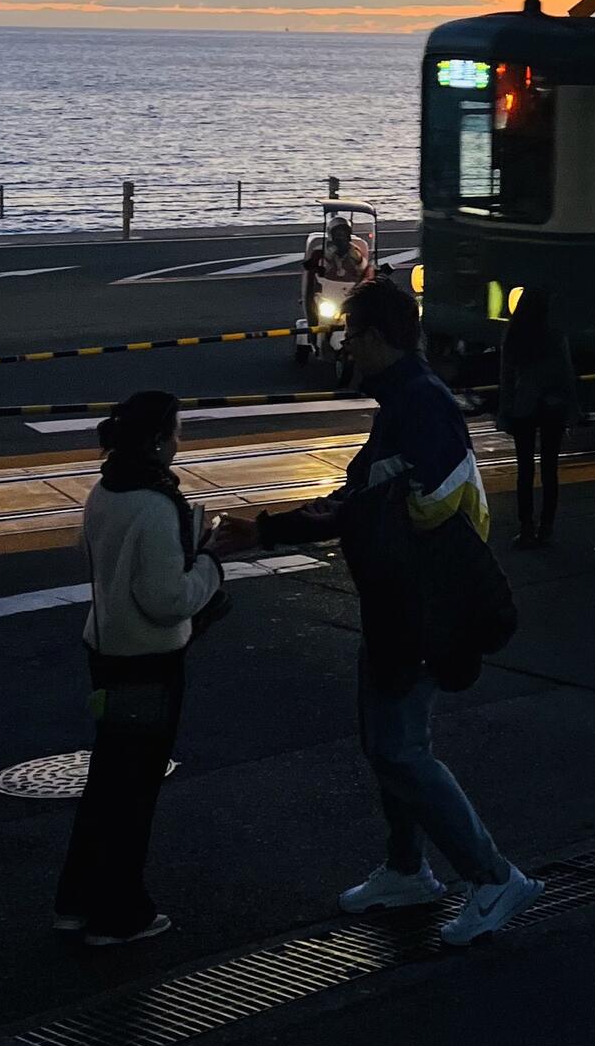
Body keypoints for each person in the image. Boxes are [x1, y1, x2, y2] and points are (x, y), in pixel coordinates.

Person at [221, 275, 541, 945]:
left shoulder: (422, 406)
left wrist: (312, 522)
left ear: (379, 337)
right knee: (388, 745)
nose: (344, 348)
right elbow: (363, 495)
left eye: (351, 335)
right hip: (397, 603)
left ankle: (493, 876)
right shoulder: (402, 402)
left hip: (421, 608)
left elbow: (414, 503)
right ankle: (406, 869)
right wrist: (272, 530)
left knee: (400, 748)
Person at [54, 389, 226, 948]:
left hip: (104, 649)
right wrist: (210, 566)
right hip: (146, 661)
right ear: (157, 441)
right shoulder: (155, 506)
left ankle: (77, 901)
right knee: (133, 791)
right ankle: (118, 912)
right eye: (177, 431)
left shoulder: (105, 490)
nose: (181, 442)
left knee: (107, 784)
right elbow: (166, 600)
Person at [497, 284, 579, 549]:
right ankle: (547, 527)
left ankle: (526, 527)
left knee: (525, 469)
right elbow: (566, 374)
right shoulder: (555, 334)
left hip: (523, 407)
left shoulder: (514, 334)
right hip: (552, 407)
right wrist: (572, 409)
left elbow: (506, 379)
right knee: (549, 469)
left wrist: (505, 411)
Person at [303, 212, 374, 336]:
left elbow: (364, 270)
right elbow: (313, 268)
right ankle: (314, 332)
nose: (341, 237)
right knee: (314, 304)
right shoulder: (321, 252)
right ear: (332, 234)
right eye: (338, 233)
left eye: (344, 233)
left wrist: (356, 259)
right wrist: (320, 263)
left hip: (350, 292)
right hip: (327, 292)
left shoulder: (355, 252)